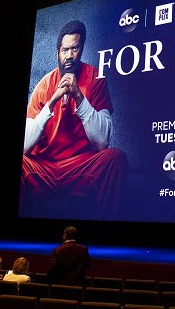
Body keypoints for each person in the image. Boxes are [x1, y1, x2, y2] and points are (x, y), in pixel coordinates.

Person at [20, 19, 128, 219]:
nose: (69, 55)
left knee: (115, 158)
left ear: (82, 49)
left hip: (80, 167)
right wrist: (52, 102)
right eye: (64, 50)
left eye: (75, 48)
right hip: (45, 169)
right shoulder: (44, 85)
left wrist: (79, 96)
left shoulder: (95, 77)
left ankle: (106, 236)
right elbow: (24, 146)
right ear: (57, 52)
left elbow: (102, 143)